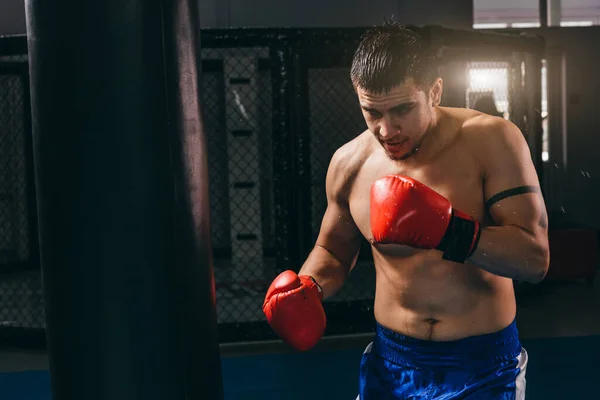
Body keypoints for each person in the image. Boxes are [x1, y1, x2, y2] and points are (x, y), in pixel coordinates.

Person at [263, 22, 549, 399]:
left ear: (434, 91)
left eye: (402, 109)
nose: (387, 130)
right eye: (372, 113)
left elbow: (535, 260)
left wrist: (450, 231)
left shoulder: (492, 141)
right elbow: (332, 250)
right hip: (391, 365)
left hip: (482, 366)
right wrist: (309, 287)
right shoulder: (349, 163)